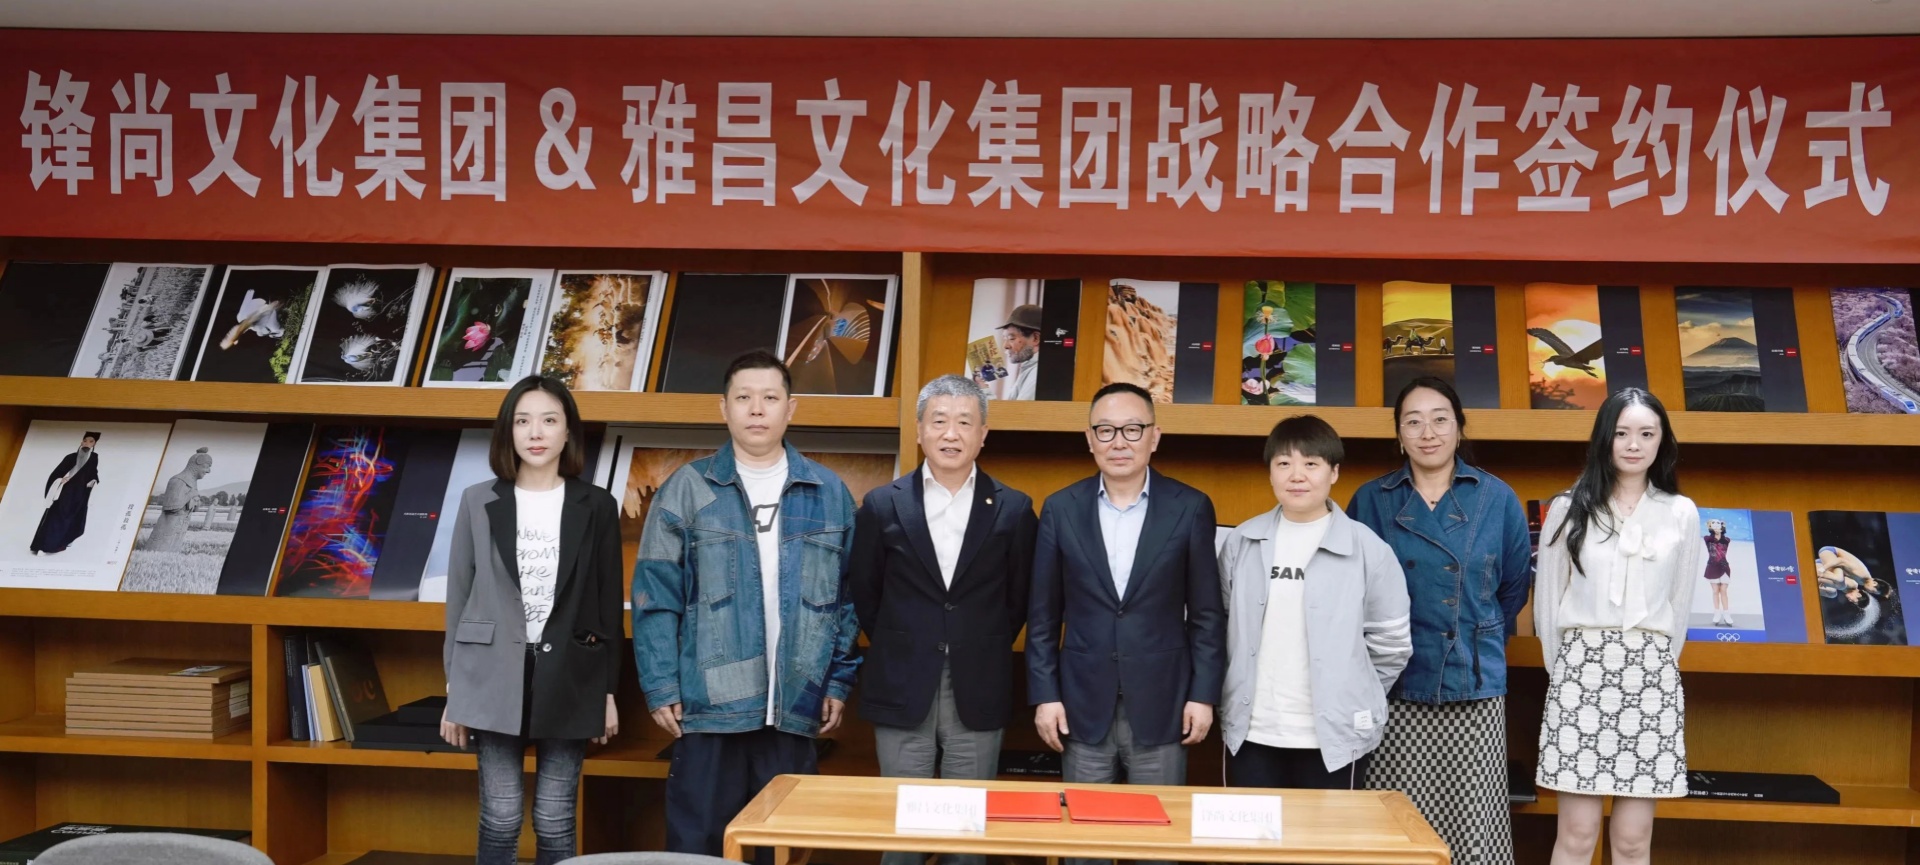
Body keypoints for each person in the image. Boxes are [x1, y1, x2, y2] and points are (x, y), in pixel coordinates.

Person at [632, 351, 860, 864]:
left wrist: (838, 682)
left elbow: (847, 600)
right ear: (724, 407)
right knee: (699, 851)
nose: (757, 409)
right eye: (744, 398)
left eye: (770, 398)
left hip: (796, 704)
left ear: (790, 408)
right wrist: (661, 685)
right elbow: (654, 596)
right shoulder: (687, 489)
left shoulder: (829, 494)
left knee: (782, 851)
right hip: (708, 707)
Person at [1028, 382, 1225, 865]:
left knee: (1157, 851)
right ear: (1089, 439)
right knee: (1084, 849)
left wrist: (1203, 695)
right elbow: (1043, 615)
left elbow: (1206, 615)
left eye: (1132, 429)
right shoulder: (1060, 508)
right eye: (1106, 430)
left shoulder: (1190, 507)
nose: (1119, 441)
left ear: (1154, 437)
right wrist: (1045, 695)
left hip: (1165, 706)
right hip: (1080, 706)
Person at [850, 374, 1037, 865]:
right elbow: (865, 592)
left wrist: (977, 641)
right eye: (939, 421)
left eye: (964, 422)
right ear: (919, 430)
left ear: (983, 434)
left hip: (979, 683)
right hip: (901, 681)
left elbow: (1019, 599)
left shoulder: (1014, 509)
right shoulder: (882, 505)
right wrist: (904, 641)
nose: (951, 434)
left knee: (967, 837)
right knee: (903, 835)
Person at [1346, 377, 1532, 865]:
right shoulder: (1371, 500)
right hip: (1394, 685)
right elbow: (1352, 593)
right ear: (1398, 435)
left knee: (1471, 828)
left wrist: (1472, 634)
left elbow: (1512, 590)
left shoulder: (1497, 498)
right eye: (1413, 422)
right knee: (1397, 829)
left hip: (1473, 684)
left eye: (1440, 419)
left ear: (1459, 427)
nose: (1427, 432)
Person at [440, 376, 624, 865]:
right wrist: (455, 692)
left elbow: (608, 605)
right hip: (490, 677)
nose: (535, 432)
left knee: (555, 817)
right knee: (500, 816)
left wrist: (607, 693)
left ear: (568, 432)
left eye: (548, 420)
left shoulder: (597, 505)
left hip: (572, 677)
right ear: (508, 431)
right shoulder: (478, 500)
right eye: (522, 421)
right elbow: (459, 599)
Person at [1534, 388, 1699, 865]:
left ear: (1662, 441)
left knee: (1632, 839)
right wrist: (1568, 675)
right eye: (1622, 433)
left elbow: (1680, 608)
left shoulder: (1681, 512)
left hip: (1650, 680)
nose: (1633, 444)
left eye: (1647, 434)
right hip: (1580, 677)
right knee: (1577, 834)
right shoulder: (1568, 507)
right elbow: (1547, 607)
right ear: (1604, 437)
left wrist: (1653, 668)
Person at [1217, 416, 1411, 790]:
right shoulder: (1242, 542)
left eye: (1311, 463)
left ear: (1333, 472)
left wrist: (1351, 690)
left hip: (1335, 737)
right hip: (1251, 731)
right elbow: (1221, 627)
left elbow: (1392, 645)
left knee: (1329, 832)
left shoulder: (1368, 549)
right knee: (1251, 830)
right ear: (1270, 473)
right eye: (1283, 463)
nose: (1296, 475)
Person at [32, 430, 102, 555]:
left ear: (94, 444)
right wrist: (60, 479)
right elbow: (57, 472)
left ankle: (65, 540)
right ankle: (44, 546)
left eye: (91, 441)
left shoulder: (94, 457)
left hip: (81, 491)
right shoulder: (70, 457)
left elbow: (93, 472)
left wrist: (93, 480)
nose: (87, 443)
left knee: (76, 516)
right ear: (81, 442)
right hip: (67, 490)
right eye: (85, 440)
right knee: (57, 515)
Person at [145, 447, 212, 552]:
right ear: (197, 465)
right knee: (159, 552)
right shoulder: (178, 480)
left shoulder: (192, 484)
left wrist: (196, 502)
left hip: (180, 530)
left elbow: (193, 509)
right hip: (167, 529)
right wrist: (191, 495)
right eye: (206, 467)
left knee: (170, 555)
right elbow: (171, 507)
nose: (208, 471)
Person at [988, 304, 1041, 400]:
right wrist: (983, 388)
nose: (1005, 346)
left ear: (1035, 338)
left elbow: (1019, 410)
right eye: (1005, 338)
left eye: (1011, 338)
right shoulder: (1029, 368)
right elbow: (1011, 408)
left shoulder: (1038, 373)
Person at [1703, 518, 1733, 627]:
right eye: (1713, 524)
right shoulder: (1707, 539)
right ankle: (1717, 613)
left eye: (1718, 524)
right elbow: (1712, 539)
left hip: (1724, 567)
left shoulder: (1726, 540)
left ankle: (1726, 614)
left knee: (1723, 590)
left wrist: (1721, 532)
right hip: (1712, 567)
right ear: (1710, 526)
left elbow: (1723, 540)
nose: (1716, 525)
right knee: (1715, 591)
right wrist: (1714, 532)